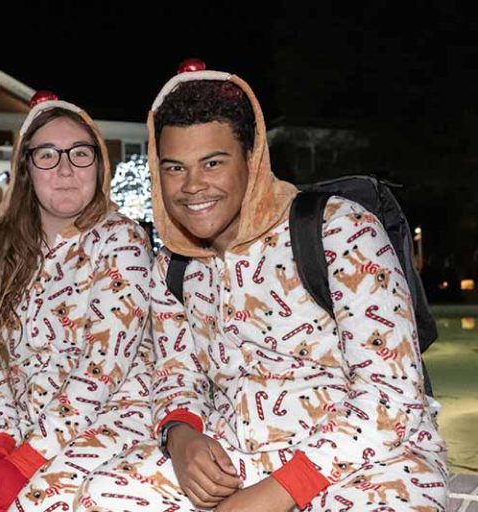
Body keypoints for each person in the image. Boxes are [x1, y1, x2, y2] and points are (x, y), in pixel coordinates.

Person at [82, 61, 448, 511]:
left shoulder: (338, 229)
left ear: (252, 158)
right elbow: (176, 375)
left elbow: (393, 397)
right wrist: (180, 436)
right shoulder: (173, 265)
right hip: (239, 452)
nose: (192, 186)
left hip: (369, 461)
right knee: (101, 496)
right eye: (175, 168)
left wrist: (278, 492)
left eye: (212, 162)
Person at [0, 91, 154, 512]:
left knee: (37, 502)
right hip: (15, 424)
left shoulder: (122, 241)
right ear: (26, 167)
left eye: (80, 154)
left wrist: (27, 461)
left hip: (108, 419)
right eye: (47, 155)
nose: (66, 169)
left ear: (99, 164)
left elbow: (103, 367)